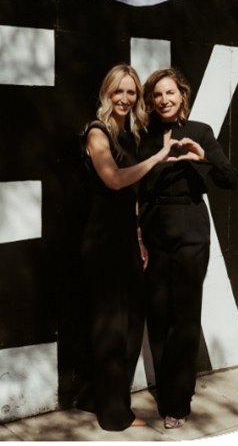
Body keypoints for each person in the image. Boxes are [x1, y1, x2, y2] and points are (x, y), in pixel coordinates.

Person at [77, 64, 177, 431]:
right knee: (112, 327)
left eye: (131, 92)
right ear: (107, 93)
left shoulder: (128, 135)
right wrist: (156, 159)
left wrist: (138, 238)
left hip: (124, 239)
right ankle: (114, 414)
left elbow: (132, 199)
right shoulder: (97, 132)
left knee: (131, 321)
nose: (125, 98)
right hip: (102, 239)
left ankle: (95, 396)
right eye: (118, 91)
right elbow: (115, 180)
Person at [136, 68, 238, 429]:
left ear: (182, 95)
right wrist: (138, 235)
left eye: (170, 93)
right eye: (157, 95)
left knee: (185, 315)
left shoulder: (200, 132)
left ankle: (177, 402)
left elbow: (230, 179)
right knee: (158, 313)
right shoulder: (144, 137)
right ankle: (167, 394)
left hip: (191, 225)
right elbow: (135, 192)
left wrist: (203, 158)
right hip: (154, 227)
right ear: (150, 101)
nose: (164, 100)